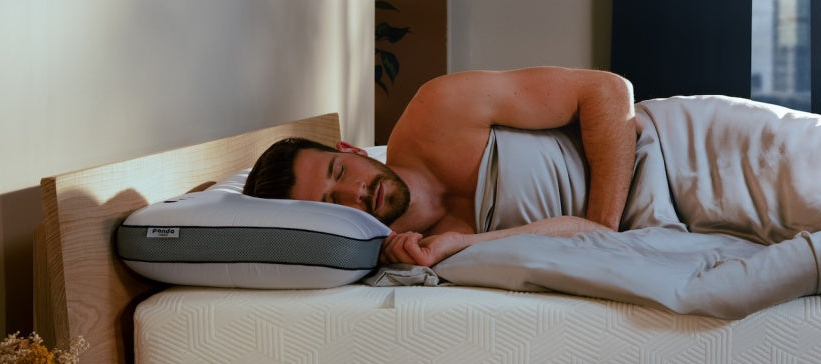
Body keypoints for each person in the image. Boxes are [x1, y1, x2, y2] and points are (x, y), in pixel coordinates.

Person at [244, 67, 635, 266]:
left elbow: (607, 91)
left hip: (669, 149)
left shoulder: (438, 109)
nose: (356, 193)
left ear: (352, 149)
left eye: (341, 172)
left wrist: (605, 231)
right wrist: (459, 246)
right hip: (651, 226)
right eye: (332, 204)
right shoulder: (408, 255)